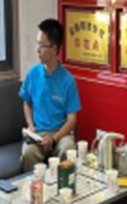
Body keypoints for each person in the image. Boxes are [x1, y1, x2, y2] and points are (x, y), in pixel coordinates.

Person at [19, 19, 82, 172]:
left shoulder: (68, 80)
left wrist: (54, 139)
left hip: (60, 134)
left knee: (68, 150)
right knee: (28, 154)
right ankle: (33, 186)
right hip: (38, 133)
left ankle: (63, 186)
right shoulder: (33, 74)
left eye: (42, 45)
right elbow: (27, 103)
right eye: (37, 44)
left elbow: (72, 120)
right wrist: (31, 126)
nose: (37, 50)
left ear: (54, 49)